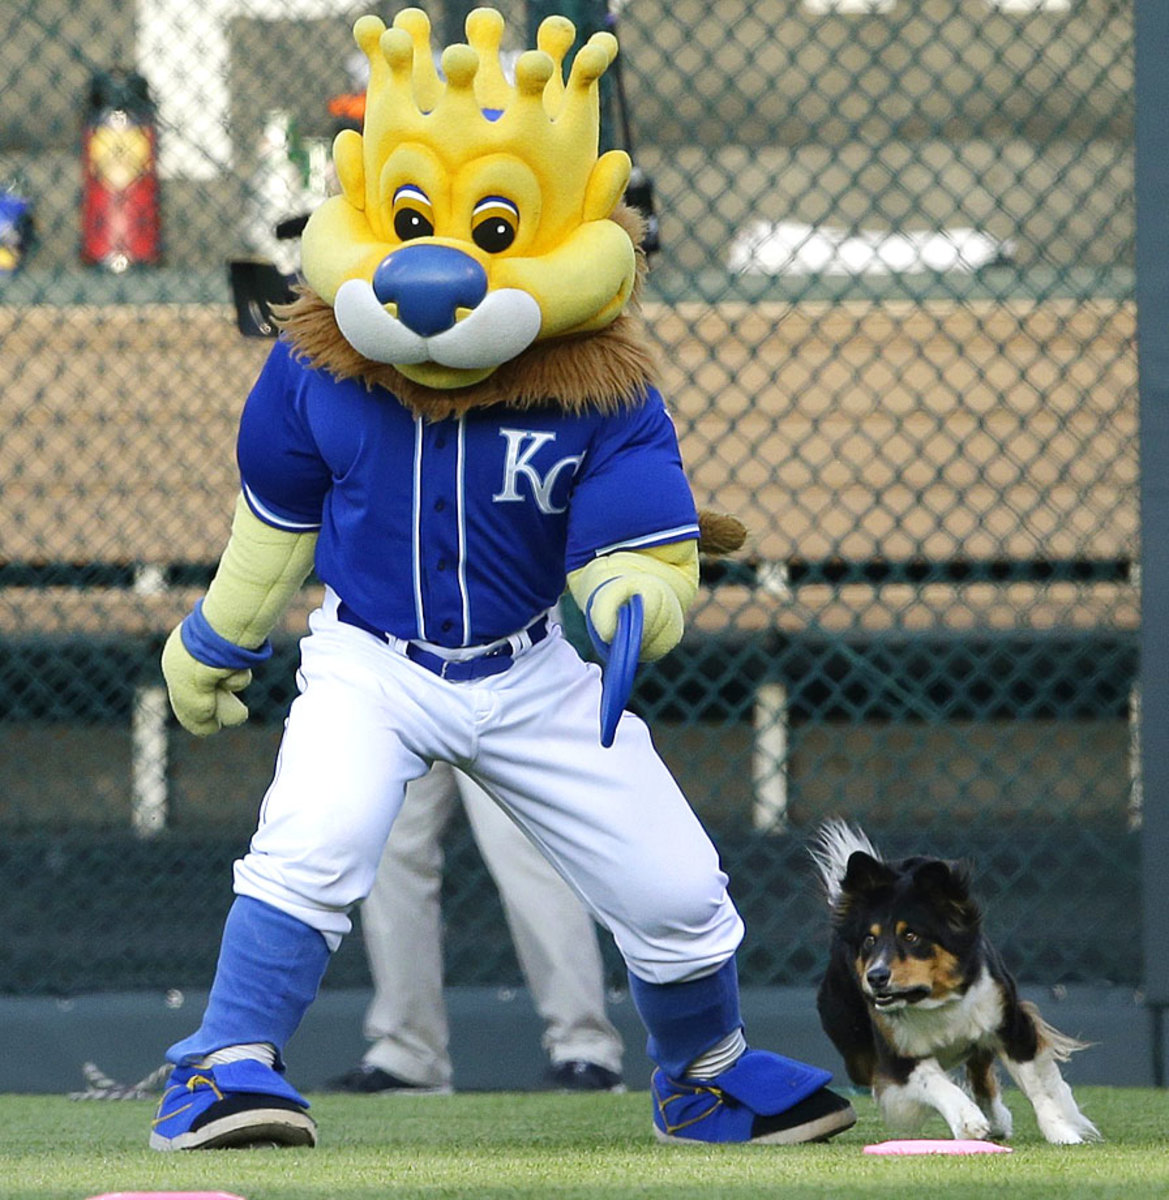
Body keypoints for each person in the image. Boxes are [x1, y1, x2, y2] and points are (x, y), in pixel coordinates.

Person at [147, 8, 854, 1151]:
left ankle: (703, 1076)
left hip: (536, 662)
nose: (436, 266)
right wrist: (215, 639)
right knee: (311, 839)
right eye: (416, 217)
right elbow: (272, 519)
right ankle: (220, 1061)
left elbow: (633, 533)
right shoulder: (317, 367)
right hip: (371, 657)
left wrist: (636, 594)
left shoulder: (597, 384)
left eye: (485, 226)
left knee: (673, 887)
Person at [327, 761, 624, 1094]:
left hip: (499, 708)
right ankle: (410, 1053)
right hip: (405, 708)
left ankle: (585, 1047)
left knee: (523, 842)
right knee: (387, 839)